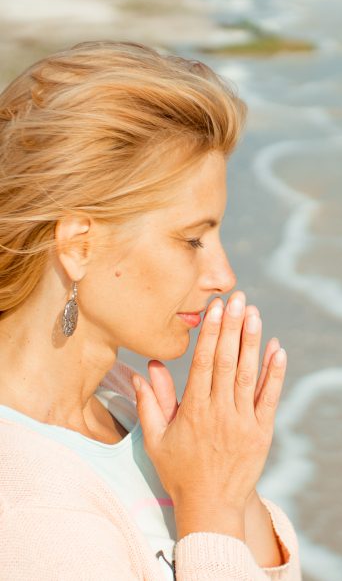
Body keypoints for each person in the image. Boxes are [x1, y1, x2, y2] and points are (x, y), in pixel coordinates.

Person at [0, 41, 302, 579]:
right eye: (191, 240)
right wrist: (208, 504)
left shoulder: (120, 401)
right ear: (79, 244)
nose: (222, 277)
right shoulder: (28, 512)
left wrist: (227, 476)